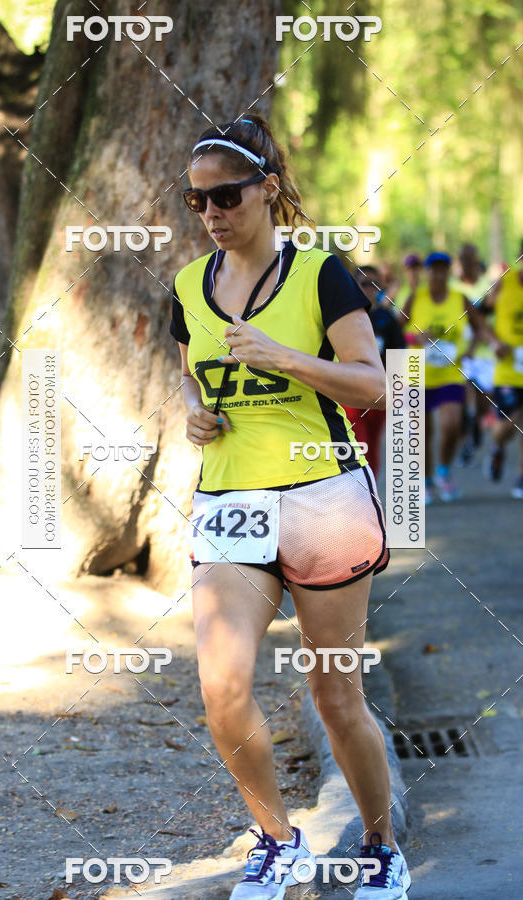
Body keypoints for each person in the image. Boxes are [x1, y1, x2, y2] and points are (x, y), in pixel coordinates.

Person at [169, 114, 411, 899]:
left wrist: (286, 359)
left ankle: (379, 842)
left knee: (334, 693)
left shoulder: (320, 276)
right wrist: (195, 413)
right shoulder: (186, 287)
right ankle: (277, 840)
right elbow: (192, 378)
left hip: (323, 498)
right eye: (196, 200)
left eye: (226, 196)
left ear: (268, 190)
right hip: (229, 501)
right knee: (222, 686)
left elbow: (374, 382)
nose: (211, 214)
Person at [401, 251, 503, 504]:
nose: (438, 273)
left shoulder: (460, 299)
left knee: (452, 426)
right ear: (428, 272)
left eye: (442, 269)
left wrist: (472, 349)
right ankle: (424, 481)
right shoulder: (416, 298)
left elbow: (480, 326)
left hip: (450, 373)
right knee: (422, 432)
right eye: (433, 269)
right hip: (417, 374)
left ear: (448, 272)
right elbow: (397, 329)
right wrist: (415, 338)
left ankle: (443, 471)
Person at [344, 265, 405, 477]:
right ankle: (359, 492)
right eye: (364, 284)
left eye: (375, 285)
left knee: (373, 443)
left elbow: (399, 355)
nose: (370, 289)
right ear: (354, 286)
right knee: (359, 444)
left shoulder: (388, 319)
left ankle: (372, 495)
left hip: (380, 392)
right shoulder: (343, 317)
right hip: (350, 392)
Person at [451, 243, 497, 465]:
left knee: (482, 402)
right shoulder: (453, 288)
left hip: (485, 355)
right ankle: (465, 442)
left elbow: (484, 323)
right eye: (463, 258)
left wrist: (476, 343)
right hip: (462, 355)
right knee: (462, 400)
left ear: (476, 258)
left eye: (470, 257)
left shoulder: (488, 287)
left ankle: (477, 427)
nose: (467, 262)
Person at [485, 243, 523, 498]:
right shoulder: (503, 283)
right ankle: (496, 445)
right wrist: (495, 342)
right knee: (508, 426)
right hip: (508, 371)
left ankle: (521, 478)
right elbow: (478, 316)